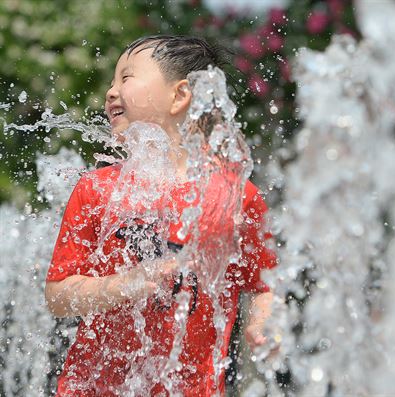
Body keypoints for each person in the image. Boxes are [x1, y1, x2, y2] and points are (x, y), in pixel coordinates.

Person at [44, 35, 276, 396]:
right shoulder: (97, 189)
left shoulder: (233, 196)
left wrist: (264, 325)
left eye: (126, 77)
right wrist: (120, 286)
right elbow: (57, 295)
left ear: (180, 95)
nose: (111, 91)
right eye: (111, 80)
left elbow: (264, 284)